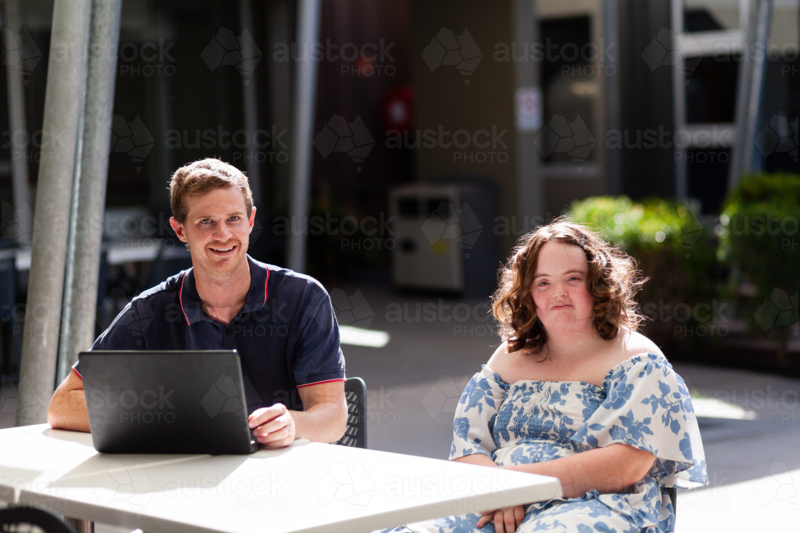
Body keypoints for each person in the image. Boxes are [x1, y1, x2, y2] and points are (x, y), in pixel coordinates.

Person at [385, 219, 706, 533]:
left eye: (573, 278)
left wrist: (520, 487)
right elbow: (467, 449)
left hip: (599, 504)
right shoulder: (508, 357)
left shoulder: (636, 358)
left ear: (598, 285)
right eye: (543, 282)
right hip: (498, 503)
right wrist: (500, 492)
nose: (558, 293)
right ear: (528, 293)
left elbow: (626, 464)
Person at [47, 158, 347, 448]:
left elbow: (332, 416)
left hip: (281, 471)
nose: (223, 234)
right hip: (185, 474)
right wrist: (166, 417)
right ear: (180, 230)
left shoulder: (303, 298)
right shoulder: (150, 311)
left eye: (233, 219)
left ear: (250, 221)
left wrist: (294, 425)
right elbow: (62, 405)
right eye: (206, 222)